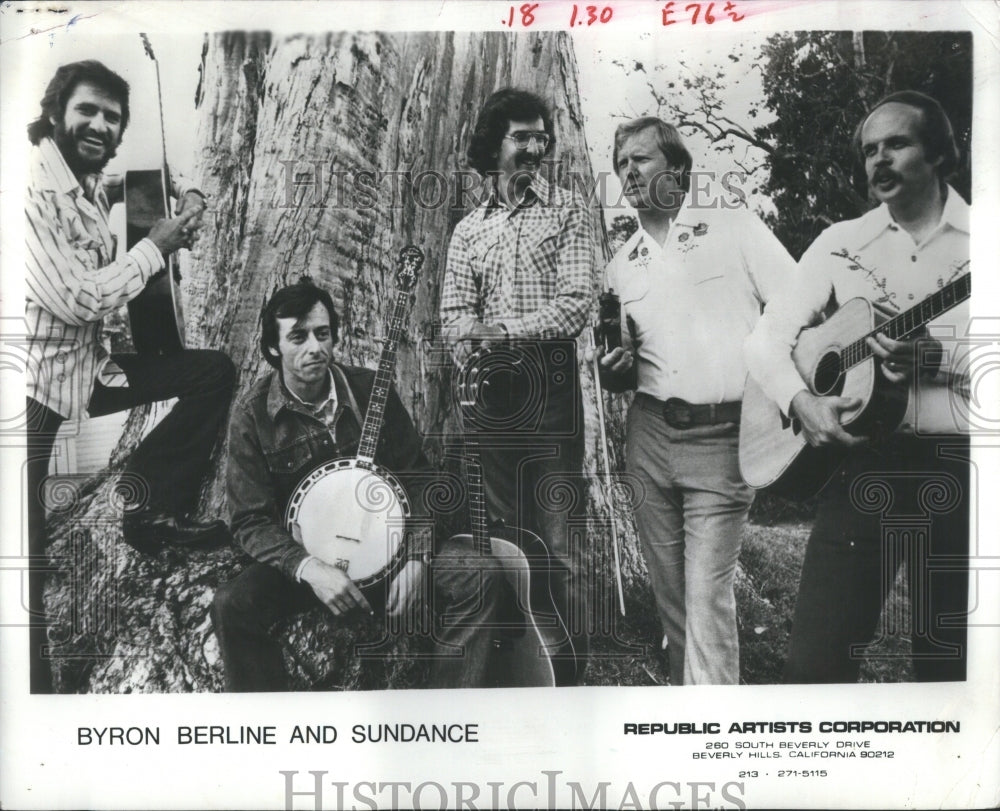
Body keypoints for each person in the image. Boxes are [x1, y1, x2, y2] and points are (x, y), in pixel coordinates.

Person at [744, 91, 970, 683]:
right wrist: (803, 402)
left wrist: (943, 360)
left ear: (942, 154)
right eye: (870, 150)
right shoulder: (840, 243)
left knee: (950, 671)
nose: (879, 160)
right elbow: (764, 341)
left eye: (897, 144)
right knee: (814, 664)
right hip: (865, 465)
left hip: (964, 470)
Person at [25, 60, 235, 693]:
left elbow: (152, 178)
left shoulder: (89, 180)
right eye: (87, 110)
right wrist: (157, 248)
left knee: (212, 374)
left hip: (92, 372)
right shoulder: (29, 190)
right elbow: (81, 300)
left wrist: (189, 195)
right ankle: (37, 690)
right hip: (33, 396)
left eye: (113, 118)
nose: (100, 125)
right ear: (57, 110)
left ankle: (145, 505)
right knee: (25, 558)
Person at [213, 280, 500, 691]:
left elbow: (419, 478)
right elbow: (250, 520)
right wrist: (309, 570)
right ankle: (267, 731)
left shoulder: (370, 389)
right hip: (311, 564)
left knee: (481, 576)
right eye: (298, 337)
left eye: (322, 333)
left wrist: (417, 557)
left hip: (392, 550)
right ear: (273, 347)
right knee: (232, 606)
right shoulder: (253, 415)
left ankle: (447, 715)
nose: (314, 346)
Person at [596, 117, 796, 685]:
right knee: (672, 596)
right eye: (621, 164)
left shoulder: (733, 226)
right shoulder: (622, 264)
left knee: (707, 593)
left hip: (724, 435)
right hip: (650, 436)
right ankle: (689, 712)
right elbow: (624, 371)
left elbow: (800, 306)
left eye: (641, 159)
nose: (628, 172)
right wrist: (616, 371)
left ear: (677, 169)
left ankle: (715, 731)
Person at [440, 88, 597, 677]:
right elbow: (453, 319)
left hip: (550, 391)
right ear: (494, 146)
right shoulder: (467, 231)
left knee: (558, 546)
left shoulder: (567, 209)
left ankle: (571, 675)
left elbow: (576, 302)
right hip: (489, 401)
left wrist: (502, 332)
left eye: (541, 137)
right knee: (505, 544)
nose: (535, 147)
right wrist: (475, 357)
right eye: (521, 137)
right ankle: (519, 668)